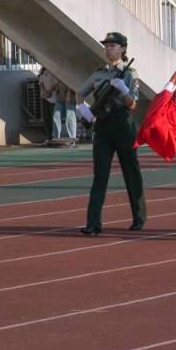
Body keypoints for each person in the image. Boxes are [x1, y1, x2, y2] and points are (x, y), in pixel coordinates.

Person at [75, 32, 145, 235]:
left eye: (113, 45)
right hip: (103, 127)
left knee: (131, 173)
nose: (108, 49)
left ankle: (139, 217)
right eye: (106, 46)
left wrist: (124, 90)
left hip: (123, 125)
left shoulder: (130, 73)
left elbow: (133, 105)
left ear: (123, 49)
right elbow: (80, 92)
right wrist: (83, 110)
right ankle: (93, 223)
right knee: (100, 176)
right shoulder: (99, 74)